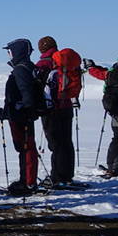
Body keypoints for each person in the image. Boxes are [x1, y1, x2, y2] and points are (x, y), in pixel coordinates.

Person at [0, 39, 41, 195]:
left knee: (26, 147)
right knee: (24, 147)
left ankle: (28, 182)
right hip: (20, 114)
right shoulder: (27, 67)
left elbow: (25, 93)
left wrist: (24, 109)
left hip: (20, 116)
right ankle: (26, 180)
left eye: (9, 51)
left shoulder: (21, 70)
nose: (8, 54)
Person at [35, 36, 76, 185]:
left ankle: (57, 177)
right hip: (66, 106)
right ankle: (67, 175)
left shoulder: (44, 63)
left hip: (52, 109)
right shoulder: (66, 61)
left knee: (56, 144)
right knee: (66, 142)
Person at [83, 45, 118, 177]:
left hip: (117, 111)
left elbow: (101, 74)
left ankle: (113, 167)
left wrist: (90, 67)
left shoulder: (115, 68)